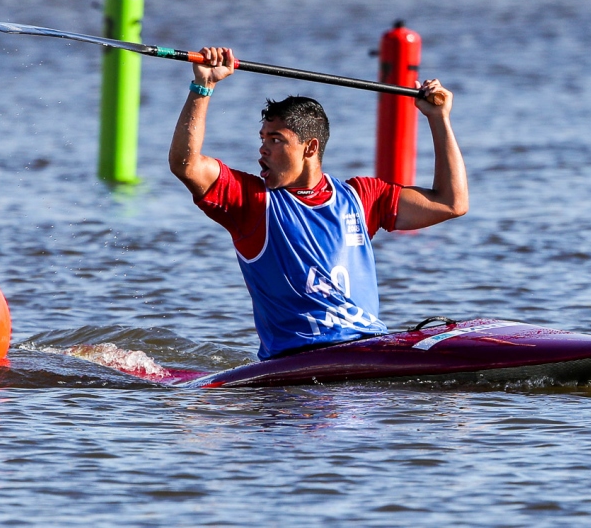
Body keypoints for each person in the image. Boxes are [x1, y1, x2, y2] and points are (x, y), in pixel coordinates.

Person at [169, 47, 468, 360]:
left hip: (368, 347)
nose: (262, 150)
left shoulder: (363, 197)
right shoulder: (252, 203)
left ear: (310, 148)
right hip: (297, 363)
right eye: (262, 139)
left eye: (275, 139)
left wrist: (438, 118)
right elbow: (185, 164)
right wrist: (203, 87)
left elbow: (452, 202)